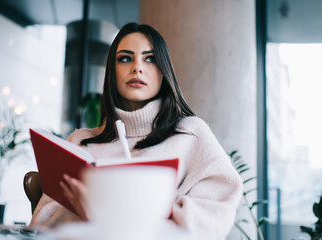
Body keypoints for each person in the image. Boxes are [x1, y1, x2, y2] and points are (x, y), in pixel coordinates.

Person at [30, 22, 243, 239]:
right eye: (125, 58)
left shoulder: (190, 134)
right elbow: (41, 225)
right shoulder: (81, 142)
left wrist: (109, 218)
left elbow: (213, 214)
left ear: (163, 72)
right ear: (111, 72)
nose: (137, 67)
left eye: (150, 58)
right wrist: (86, 213)